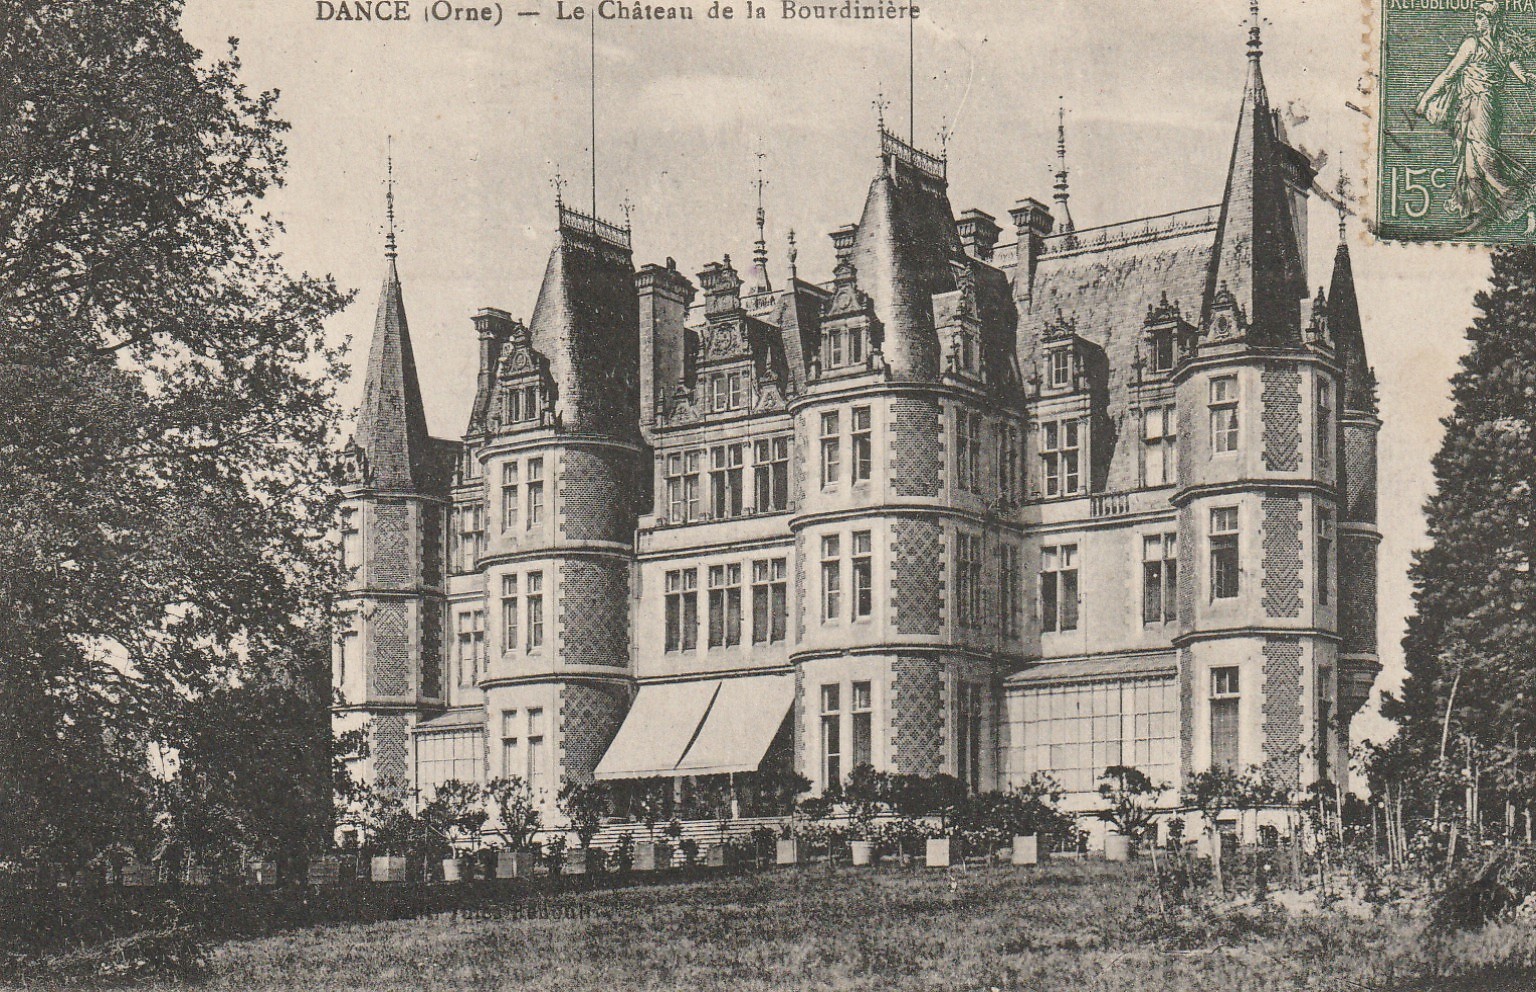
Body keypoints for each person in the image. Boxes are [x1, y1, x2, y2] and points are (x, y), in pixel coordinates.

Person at [1415, 1, 1536, 230]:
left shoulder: (1484, 45)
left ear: (1491, 21)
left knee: (1484, 159)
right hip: (1470, 107)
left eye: (1480, 17)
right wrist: (1426, 98)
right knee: (1471, 165)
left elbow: (1449, 74)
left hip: (1484, 106)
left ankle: (1528, 202)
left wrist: (1425, 99)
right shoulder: (1484, 43)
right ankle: (1482, 211)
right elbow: (1451, 73)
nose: (1475, 21)